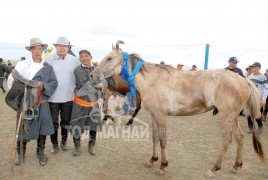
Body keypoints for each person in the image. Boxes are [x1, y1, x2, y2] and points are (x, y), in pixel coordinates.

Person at [7, 38, 58, 165]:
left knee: (43, 129)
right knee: (23, 129)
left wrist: (43, 85)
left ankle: (40, 152)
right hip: (25, 103)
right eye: (34, 49)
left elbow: (54, 83)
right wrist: (15, 84)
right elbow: (10, 81)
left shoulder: (48, 68)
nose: (37, 52)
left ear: (42, 50)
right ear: (30, 50)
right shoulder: (21, 65)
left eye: (39, 49)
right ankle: (21, 153)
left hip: (42, 103)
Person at [44, 37, 80, 154]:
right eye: (59, 46)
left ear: (68, 48)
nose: (62, 48)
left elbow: (80, 76)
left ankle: (63, 142)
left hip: (69, 97)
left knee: (66, 121)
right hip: (52, 97)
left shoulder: (74, 60)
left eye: (65, 46)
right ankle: (54, 144)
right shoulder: (48, 59)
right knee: (53, 122)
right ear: (56, 47)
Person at [70, 50, 103, 156]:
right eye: (81, 56)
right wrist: (97, 86)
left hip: (93, 102)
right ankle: (77, 146)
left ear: (90, 57)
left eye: (86, 56)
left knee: (94, 124)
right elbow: (85, 84)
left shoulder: (97, 69)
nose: (84, 58)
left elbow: (103, 81)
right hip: (81, 102)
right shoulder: (77, 70)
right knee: (77, 124)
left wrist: (101, 84)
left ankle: (91, 145)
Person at [247, 62, 268, 134]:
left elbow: (266, 88)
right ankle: (250, 127)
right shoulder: (250, 76)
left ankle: (260, 126)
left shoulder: (262, 77)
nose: (254, 69)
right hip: (250, 97)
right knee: (248, 113)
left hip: (258, 97)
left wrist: (264, 99)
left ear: (259, 68)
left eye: (256, 67)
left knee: (256, 113)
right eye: (253, 67)